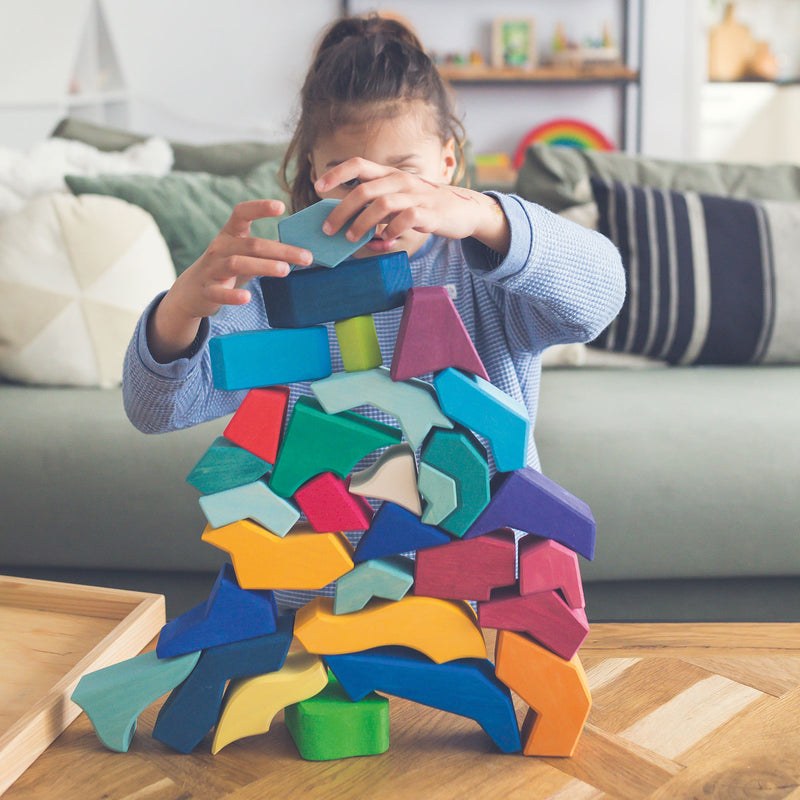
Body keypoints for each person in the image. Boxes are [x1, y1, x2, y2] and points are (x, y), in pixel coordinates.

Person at [123, 14, 625, 609]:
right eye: (348, 178)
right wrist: (183, 304)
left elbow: (601, 295)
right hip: (314, 609)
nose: (376, 202)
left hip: (472, 600)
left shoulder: (482, 272)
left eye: (402, 174)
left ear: (447, 163)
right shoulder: (278, 283)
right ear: (314, 172)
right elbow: (156, 408)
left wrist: (484, 215)